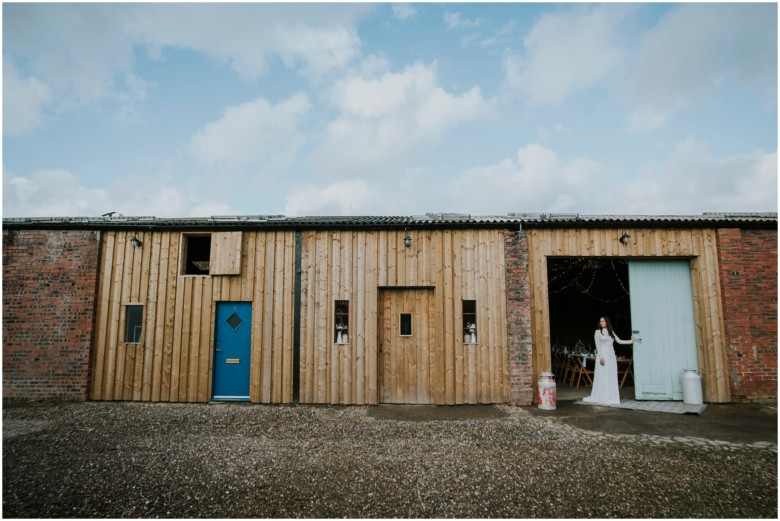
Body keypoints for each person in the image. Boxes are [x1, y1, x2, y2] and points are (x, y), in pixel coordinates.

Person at [582, 316, 635, 405]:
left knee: (611, 375)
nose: (602, 322)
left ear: (607, 322)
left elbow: (620, 341)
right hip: (603, 356)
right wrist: (601, 357)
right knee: (603, 375)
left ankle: (611, 396)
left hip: (611, 356)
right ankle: (602, 396)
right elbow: (597, 345)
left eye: (603, 321)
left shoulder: (611, 332)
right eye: (600, 321)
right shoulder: (598, 332)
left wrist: (631, 341)